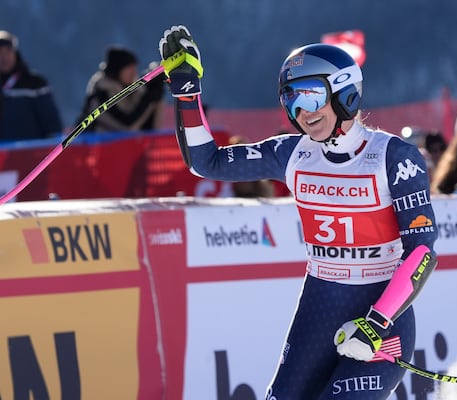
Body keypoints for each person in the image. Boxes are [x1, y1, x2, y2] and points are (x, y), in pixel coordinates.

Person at [158, 25, 438, 399]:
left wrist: (377, 322)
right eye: (290, 100)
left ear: (344, 92)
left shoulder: (394, 157)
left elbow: (422, 250)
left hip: (382, 320)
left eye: (310, 95)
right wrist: (186, 91)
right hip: (319, 307)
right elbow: (206, 162)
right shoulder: (293, 154)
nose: (301, 111)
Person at [78, 45, 165, 132]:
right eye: (130, 69)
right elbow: (126, 126)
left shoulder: (131, 90)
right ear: (118, 70)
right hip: (97, 143)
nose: (134, 73)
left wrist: (154, 92)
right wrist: (148, 98)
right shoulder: (101, 93)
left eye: (135, 68)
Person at [0, 30, 63, 141]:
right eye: (0, 52)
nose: (4, 57)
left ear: (15, 53)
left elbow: (52, 124)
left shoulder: (34, 83)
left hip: (32, 153)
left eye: (8, 51)